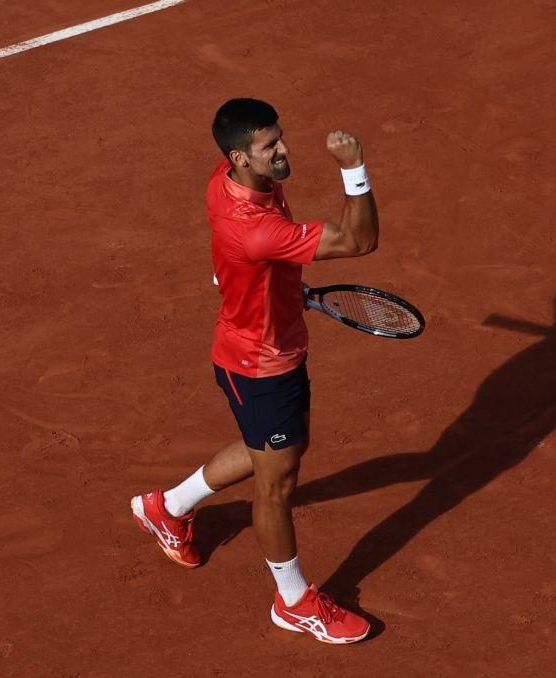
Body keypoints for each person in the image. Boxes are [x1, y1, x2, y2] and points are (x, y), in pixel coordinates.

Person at [130, 98, 378, 645]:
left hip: (258, 347)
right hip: (262, 366)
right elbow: (360, 241)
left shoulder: (225, 180)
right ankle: (293, 601)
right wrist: (352, 167)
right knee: (277, 483)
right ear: (241, 157)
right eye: (271, 147)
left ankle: (167, 508)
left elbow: (242, 257)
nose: (284, 149)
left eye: (280, 137)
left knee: (273, 447)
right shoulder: (257, 230)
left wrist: (280, 290)